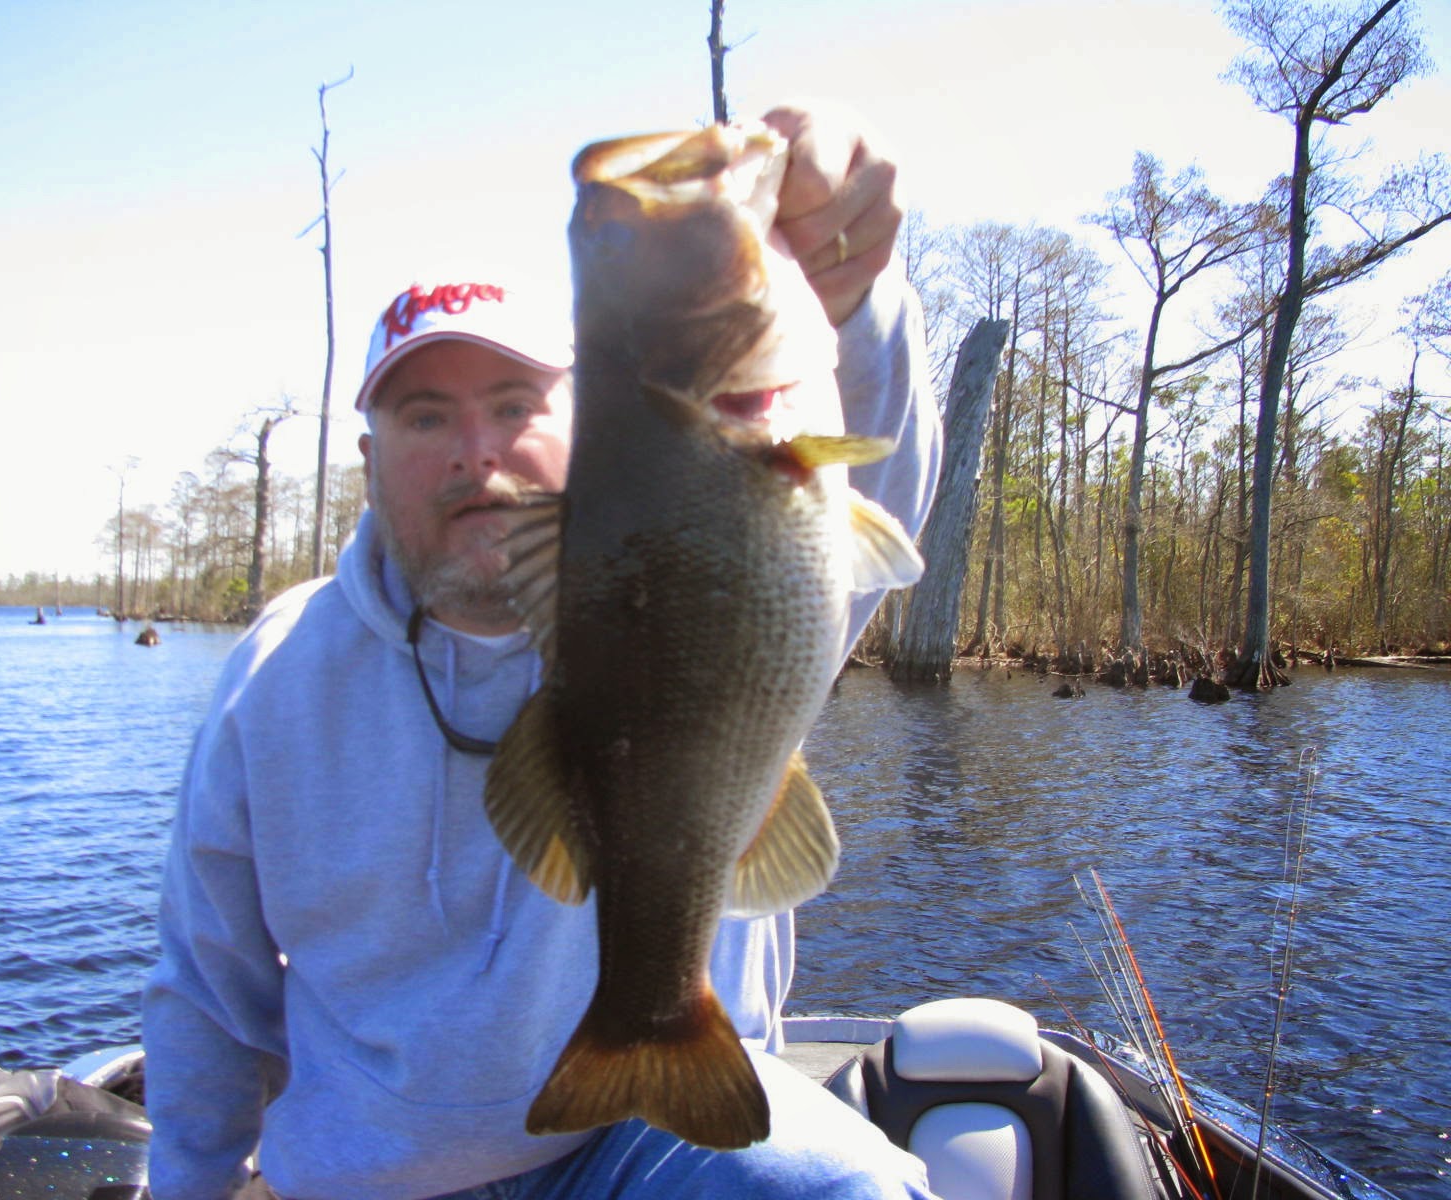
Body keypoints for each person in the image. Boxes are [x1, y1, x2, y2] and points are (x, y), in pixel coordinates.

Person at [142, 104, 945, 1200]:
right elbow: (207, 985)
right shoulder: (275, 679)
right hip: (368, 1177)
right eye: (427, 417)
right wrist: (190, 1182)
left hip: (641, 1150)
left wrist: (856, 303)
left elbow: (872, 489)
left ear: (575, 419)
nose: (477, 453)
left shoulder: (675, 567)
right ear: (371, 461)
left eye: (515, 403)